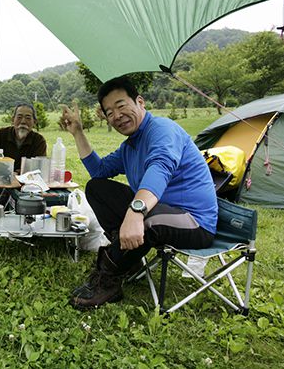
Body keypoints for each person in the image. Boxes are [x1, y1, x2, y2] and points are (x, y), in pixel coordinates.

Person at [59, 75, 218, 310]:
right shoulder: (130, 145)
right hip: (157, 211)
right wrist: (78, 133)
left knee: (147, 219)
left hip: (193, 220)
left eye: (121, 105)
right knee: (97, 188)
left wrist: (136, 210)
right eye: (109, 112)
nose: (117, 115)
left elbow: (160, 167)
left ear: (140, 102)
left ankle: (108, 279)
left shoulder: (162, 130)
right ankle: (129, 258)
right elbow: (99, 170)